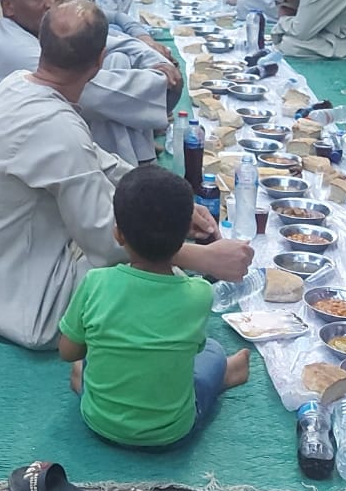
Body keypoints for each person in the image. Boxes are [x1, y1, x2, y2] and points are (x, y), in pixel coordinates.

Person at [0, 0, 253, 350]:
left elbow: (103, 163)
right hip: (21, 303)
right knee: (163, 283)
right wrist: (199, 257)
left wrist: (172, 207)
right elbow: (108, 244)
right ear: (99, 61)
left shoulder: (20, 83)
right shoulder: (57, 129)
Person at [60, 165, 250, 448]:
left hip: (98, 420)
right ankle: (224, 375)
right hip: (171, 431)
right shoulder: (198, 293)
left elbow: (68, 351)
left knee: (84, 362)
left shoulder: (95, 282)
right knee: (212, 351)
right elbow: (193, 350)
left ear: (118, 235)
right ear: (185, 235)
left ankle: (90, 384)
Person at [0, 0, 178, 162]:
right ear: (8, 7)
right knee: (105, 104)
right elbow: (93, 92)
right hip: (10, 155)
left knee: (118, 61)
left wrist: (151, 56)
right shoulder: (13, 49)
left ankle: (137, 164)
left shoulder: (36, 28)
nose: (50, 4)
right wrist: (162, 82)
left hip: (34, 135)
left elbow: (109, 38)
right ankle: (136, 169)